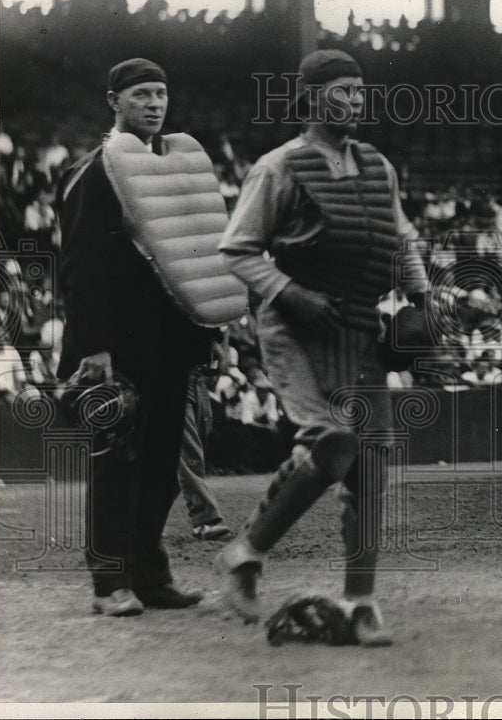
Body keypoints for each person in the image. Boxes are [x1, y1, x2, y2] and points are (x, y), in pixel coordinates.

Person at [215, 49, 430, 644]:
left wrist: (419, 297)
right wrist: (290, 291)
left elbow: (401, 237)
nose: (356, 100)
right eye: (342, 91)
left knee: (370, 469)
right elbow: (237, 250)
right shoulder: (280, 166)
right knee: (331, 442)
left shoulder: (377, 166)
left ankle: (360, 602)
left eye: (360, 90)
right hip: (294, 326)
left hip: (357, 326)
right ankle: (244, 553)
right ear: (312, 98)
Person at [57, 58, 244, 617]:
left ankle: (151, 576)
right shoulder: (94, 172)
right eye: (141, 95)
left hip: (174, 338)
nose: (155, 104)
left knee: (162, 464)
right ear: (113, 101)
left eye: (161, 94)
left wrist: (210, 330)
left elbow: (200, 256)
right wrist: (94, 346)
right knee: (119, 462)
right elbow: (82, 266)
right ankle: (109, 583)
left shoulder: (177, 167)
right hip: (119, 342)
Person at [178, 367, 231, 540]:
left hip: (197, 377)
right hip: (167, 374)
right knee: (188, 450)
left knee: (197, 443)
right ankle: (205, 518)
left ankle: (144, 518)